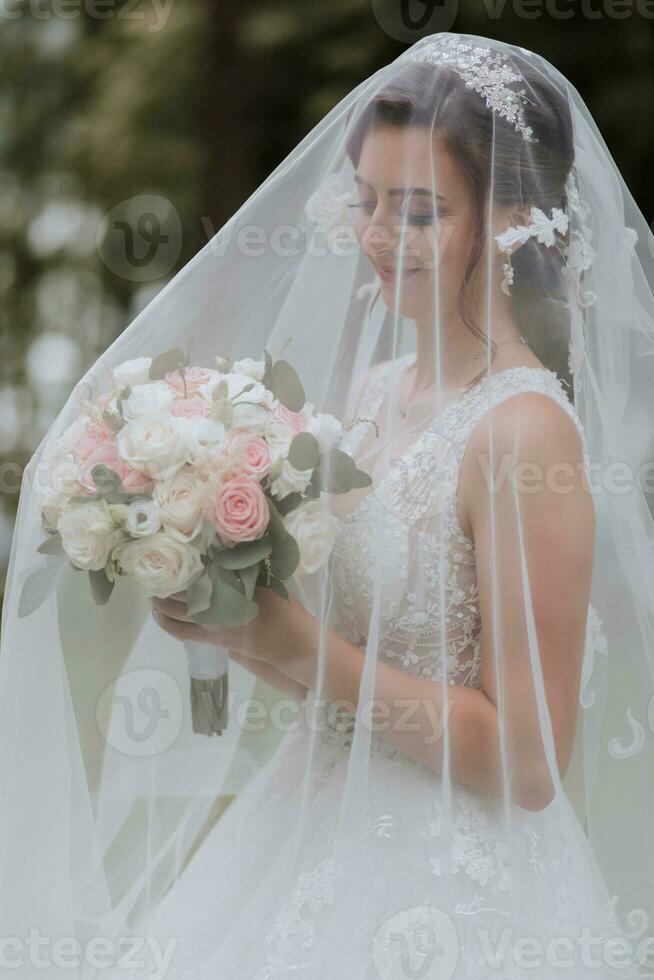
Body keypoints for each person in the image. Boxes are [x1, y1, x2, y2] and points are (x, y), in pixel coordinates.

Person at [2, 31, 653, 980]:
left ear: (511, 219)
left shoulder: (521, 436)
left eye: (422, 211)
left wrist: (295, 646)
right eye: (370, 202)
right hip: (306, 822)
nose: (381, 236)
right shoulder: (380, 390)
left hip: (449, 885)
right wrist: (229, 618)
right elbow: (356, 673)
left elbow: (528, 761)